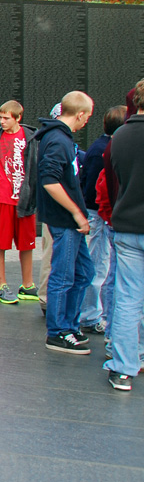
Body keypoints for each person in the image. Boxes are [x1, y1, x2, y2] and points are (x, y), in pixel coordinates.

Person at [35, 92, 96, 353]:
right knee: (63, 275)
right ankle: (58, 332)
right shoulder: (59, 140)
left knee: (83, 273)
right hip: (65, 221)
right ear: (80, 114)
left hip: (68, 221)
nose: (87, 122)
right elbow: (50, 180)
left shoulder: (59, 138)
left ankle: (69, 326)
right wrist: (77, 213)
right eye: (88, 116)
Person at [106, 80, 144, 391]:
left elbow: (116, 177)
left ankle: (123, 368)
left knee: (128, 300)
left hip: (128, 227)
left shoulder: (120, 136)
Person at [0, 100, 37, 303]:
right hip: (1, 196)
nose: (2, 122)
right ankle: (1, 285)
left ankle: (27, 284)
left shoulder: (31, 137)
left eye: (6, 118)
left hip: (24, 198)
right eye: (0, 117)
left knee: (27, 243)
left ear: (18, 118)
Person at [79, 105, 128, 333]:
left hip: (97, 213)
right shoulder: (106, 151)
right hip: (98, 214)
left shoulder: (100, 147)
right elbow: (95, 188)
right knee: (99, 266)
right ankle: (90, 315)